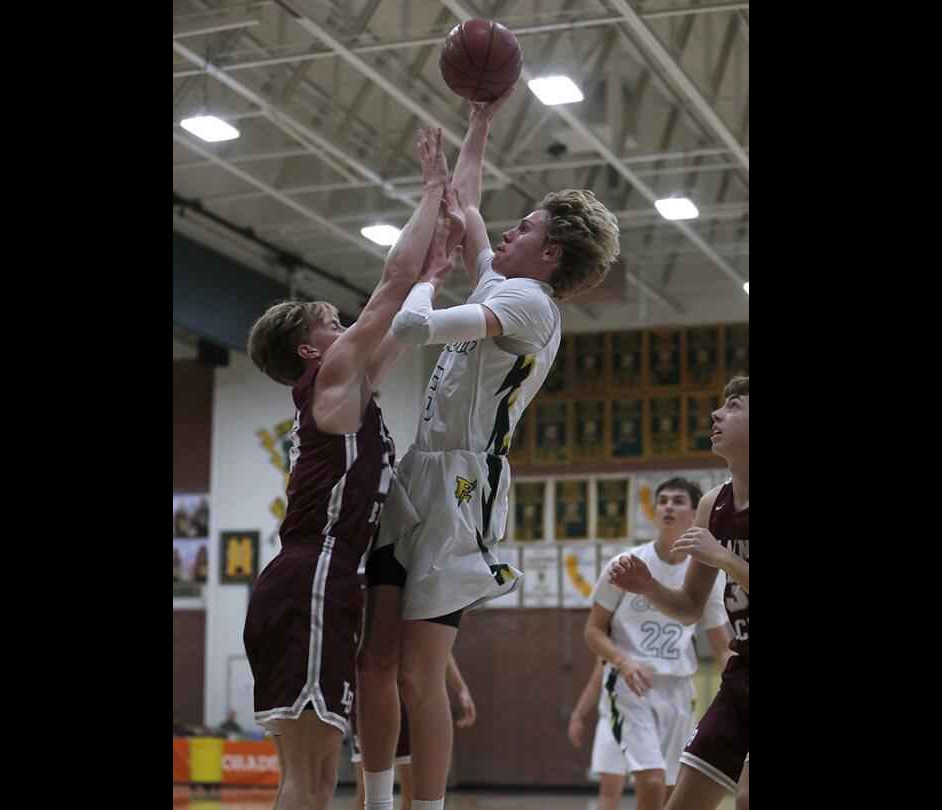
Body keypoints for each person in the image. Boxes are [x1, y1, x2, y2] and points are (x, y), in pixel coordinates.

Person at [357, 87, 621, 810]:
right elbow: (469, 214)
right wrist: (476, 129)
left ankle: (428, 806)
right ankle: (377, 801)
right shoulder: (509, 284)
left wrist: (426, 282)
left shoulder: (530, 306)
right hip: (419, 473)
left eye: (527, 225)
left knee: (418, 674)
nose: (509, 228)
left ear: (551, 251)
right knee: (374, 659)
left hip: (464, 490)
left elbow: (413, 332)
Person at [241, 128, 459, 810]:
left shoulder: (350, 389)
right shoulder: (328, 381)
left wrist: (432, 279)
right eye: (334, 323)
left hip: (322, 582)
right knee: (308, 783)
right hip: (311, 579)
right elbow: (389, 287)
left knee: (310, 778)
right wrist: (429, 189)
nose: (348, 328)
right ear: (310, 351)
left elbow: (398, 323)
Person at [609, 377, 750, 810]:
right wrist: (647, 586)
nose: (717, 414)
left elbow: (724, 566)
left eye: (734, 406)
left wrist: (725, 560)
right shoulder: (713, 503)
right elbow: (689, 606)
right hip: (743, 673)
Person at [582, 478, 733, 810]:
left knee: (668, 790)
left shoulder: (705, 575)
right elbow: (592, 631)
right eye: (662, 500)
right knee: (650, 781)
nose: (667, 506)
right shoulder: (626, 564)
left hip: (677, 691)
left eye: (677, 501)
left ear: (696, 514)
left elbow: (722, 647)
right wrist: (624, 661)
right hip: (629, 684)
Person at [352, 654, 475, 810]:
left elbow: (439, 644)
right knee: (367, 792)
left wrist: (461, 688)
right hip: (370, 694)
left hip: (408, 697)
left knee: (413, 791)